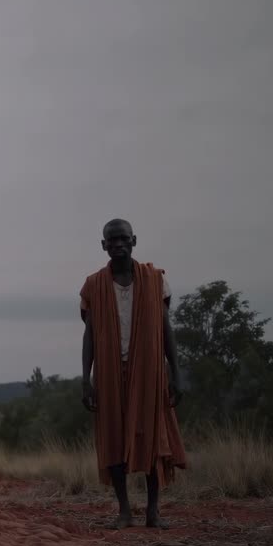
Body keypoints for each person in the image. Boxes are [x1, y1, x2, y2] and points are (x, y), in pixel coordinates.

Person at [80, 218, 188, 529]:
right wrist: (85, 379)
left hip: (149, 371)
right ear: (103, 245)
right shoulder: (93, 285)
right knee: (113, 437)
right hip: (110, 372)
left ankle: (153, 511)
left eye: (123, 239)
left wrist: (175, 373)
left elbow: (166, 329)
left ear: (134, 240)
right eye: (111, 240)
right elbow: (89, 336)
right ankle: (124, 511)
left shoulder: (155, 280)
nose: (118, 244)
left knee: (153, 437)